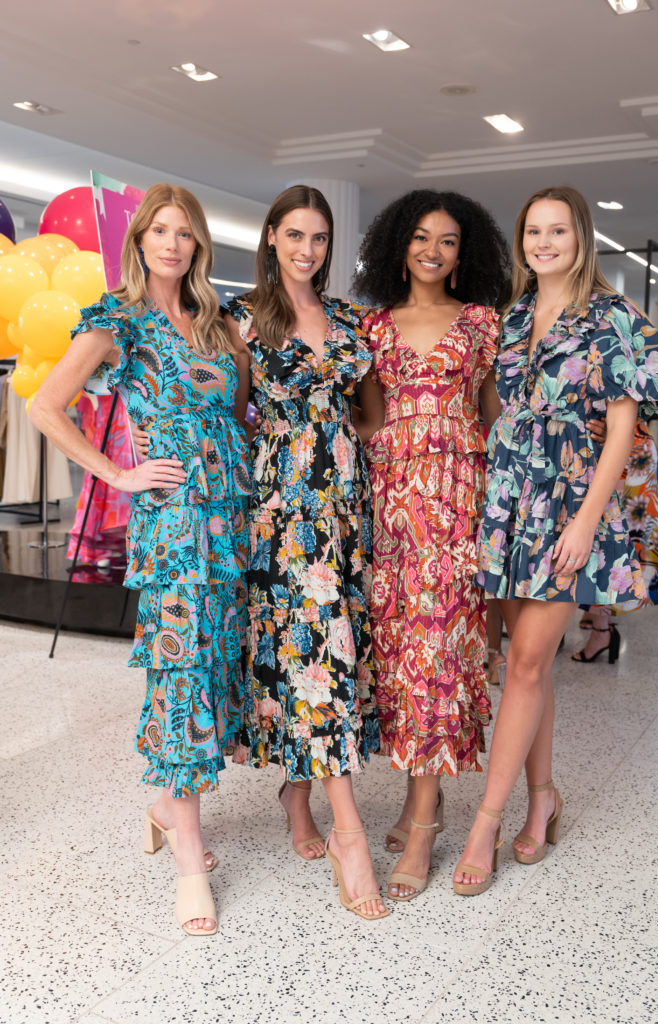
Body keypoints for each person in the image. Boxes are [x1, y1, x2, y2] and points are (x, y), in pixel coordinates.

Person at [30, 183, 251, 935]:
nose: (172, 244)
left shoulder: (218, 323)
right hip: (173, 522)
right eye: (160, 230)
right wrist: (117, 473)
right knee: (180, 670)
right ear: (140, 240)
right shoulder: (118, 319)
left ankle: (166, 806)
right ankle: (188, 856)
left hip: (229, 519)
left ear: (198, 245)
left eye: (185, 233)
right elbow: (45, 406)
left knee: (215, 664)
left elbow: (236, 415)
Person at [452, 184, 658, 895]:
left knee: (522, 664)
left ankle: (485, 823)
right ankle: (541, 797)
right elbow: (500, 409)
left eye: (558, 231)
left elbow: (623, 430)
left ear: (581, 237)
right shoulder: (514, 315)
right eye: (533, 232)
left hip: (573, 504)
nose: (544, 243)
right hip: (512, 500)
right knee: (531, 667)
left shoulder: (612, 316)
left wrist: (584, 521)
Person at [224, 184, 388, 920]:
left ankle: (297, 797)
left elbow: (371, 415)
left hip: (345, 512)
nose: (307, 249)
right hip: (282, 515)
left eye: (319, 238)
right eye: (294, 235)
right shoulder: (242, 319)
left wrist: (339, 455)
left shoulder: (350, 321)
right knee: (315, 651)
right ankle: (350, 834)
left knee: (324, 658)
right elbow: (236, 419)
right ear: (271, 237)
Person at [351, 189, 510, 900]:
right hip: (394, 509)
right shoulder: (372, 327)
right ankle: (428, 795)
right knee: (402, 655)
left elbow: (493, 418)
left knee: (440, 654)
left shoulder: (481, 324)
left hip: (457, 505)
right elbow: (371, 423)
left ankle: (421, 823)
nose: (432, 251)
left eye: (447, 240)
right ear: (398, 244)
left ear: (463, 251)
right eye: (420, 237)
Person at [573, 416, 658, 662]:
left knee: (607, 542)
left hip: (620, 447)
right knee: (603, 539)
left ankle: (602, 631)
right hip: (617, 443)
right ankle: (595, 616)